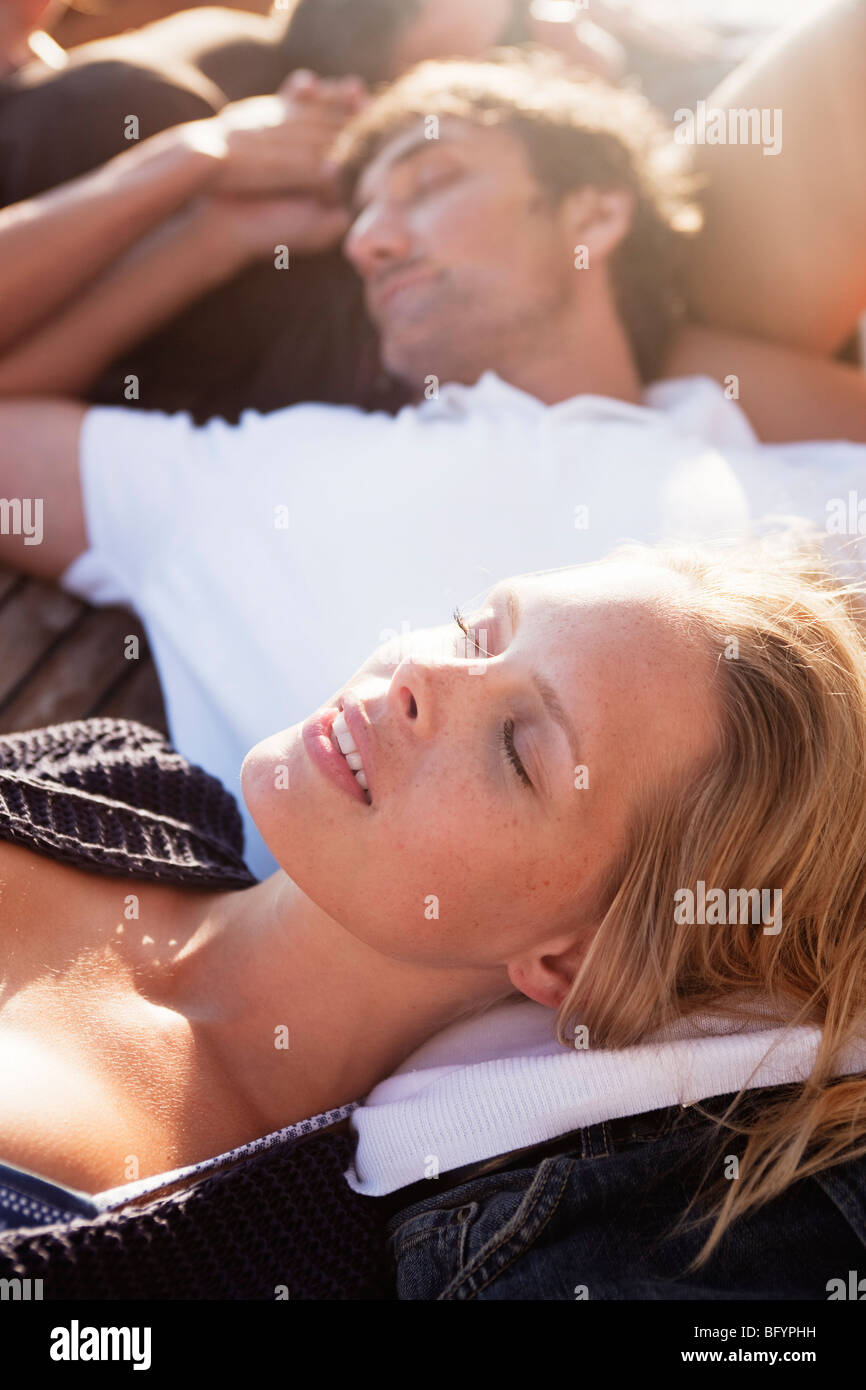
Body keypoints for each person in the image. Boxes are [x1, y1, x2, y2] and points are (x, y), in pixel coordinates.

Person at [2, 55, 865, 877]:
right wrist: (202, 210)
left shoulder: (787, 468)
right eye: (361, 217)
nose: (372, 239)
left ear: (592, 217)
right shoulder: (272, 469)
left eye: (432, 180)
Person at [1, 539, 865, 1302]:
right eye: (475, 631)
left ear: (570, 965)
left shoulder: (288, 1262)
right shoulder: (118, 780)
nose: (421, 679)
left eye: (518, 751)